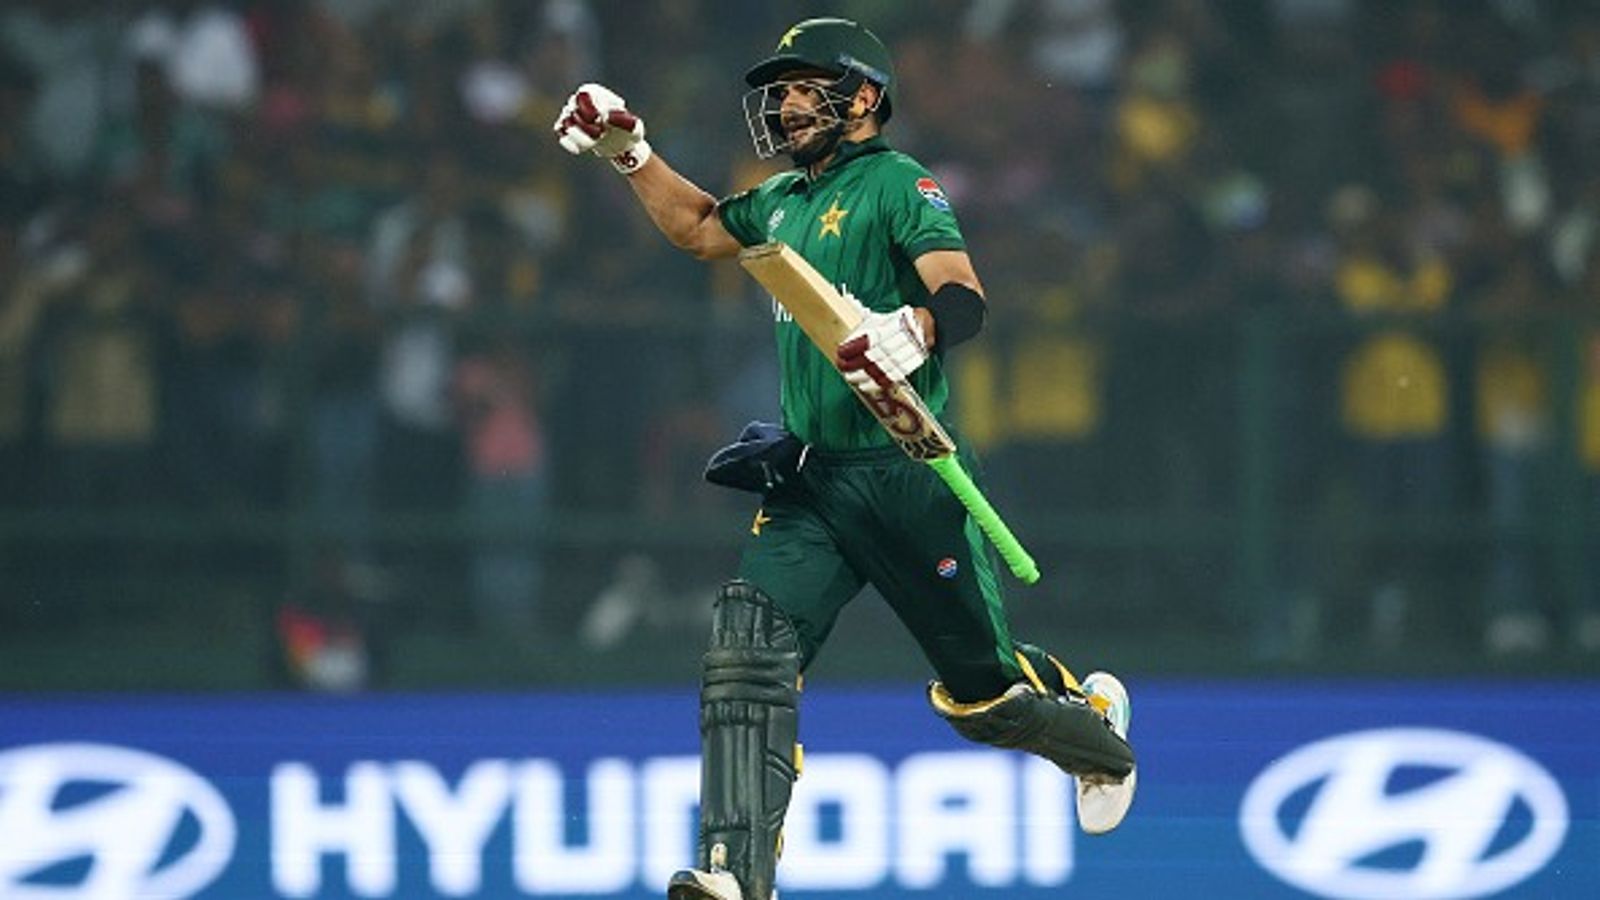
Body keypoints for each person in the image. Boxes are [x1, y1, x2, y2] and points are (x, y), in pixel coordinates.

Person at [554, 18, 1135, 900]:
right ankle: (735, 875)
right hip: (814, 479)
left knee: (989, 699)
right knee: (745, 648)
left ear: (862, 97)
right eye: (778, 90)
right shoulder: (779, 199)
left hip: (909, 472)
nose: (784, 105)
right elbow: (701, 228)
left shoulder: (900, 183)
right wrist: (631, 154)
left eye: (804, 86)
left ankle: (1097, 736)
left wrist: (919, 329)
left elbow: (964, 296)